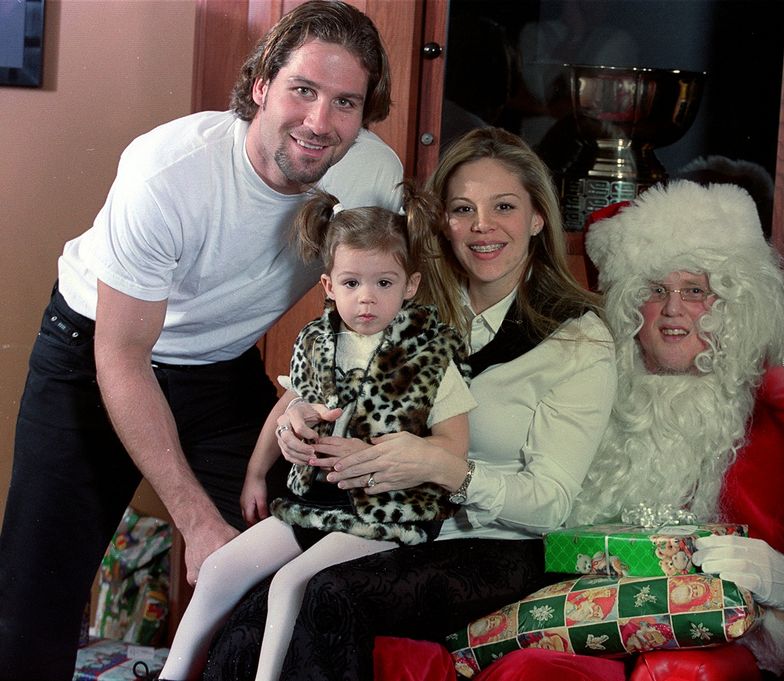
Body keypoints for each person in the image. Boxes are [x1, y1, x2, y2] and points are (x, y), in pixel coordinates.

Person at [0, 3, 402, 679]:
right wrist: (194, 519)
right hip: (96, 355)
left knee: (301, 536)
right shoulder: (168, 172)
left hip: (218, 366)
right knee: (30, 606)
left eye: (345, 102)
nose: (319, 121)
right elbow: (122, 357)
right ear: (261, 86)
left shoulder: (371, 176)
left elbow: (382, 303)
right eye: (303, 90)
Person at [202, 126, 617, 681]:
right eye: (462, 208)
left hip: (499, 543)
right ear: (441, 222)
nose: (482, 226)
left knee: (330, 596)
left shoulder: (579, 341)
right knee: (254, 607)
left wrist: (443, 467)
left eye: (504, 207)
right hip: (385, 521)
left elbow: (553, 502)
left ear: (538, 218)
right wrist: (297, 428)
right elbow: (326, 389)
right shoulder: (407, 305)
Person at [476, 179, 784, 680]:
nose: (673, 309)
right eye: (655, 290)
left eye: (696, 291)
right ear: (628, 304)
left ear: (732, 305)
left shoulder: (766, 435)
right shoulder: (582, 398)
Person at [160, 192, 475, 681]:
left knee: (291, 582)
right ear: (329, 285)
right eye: (352, 283)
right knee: (222, 569)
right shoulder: (317, 341)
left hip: (388, 510)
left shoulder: (429, 355)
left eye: (383, 283)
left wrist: (375, 455)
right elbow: (288, 406)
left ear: (410, 286)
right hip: (316, 500)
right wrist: (255, 473)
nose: (366, 297)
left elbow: (454, 447)